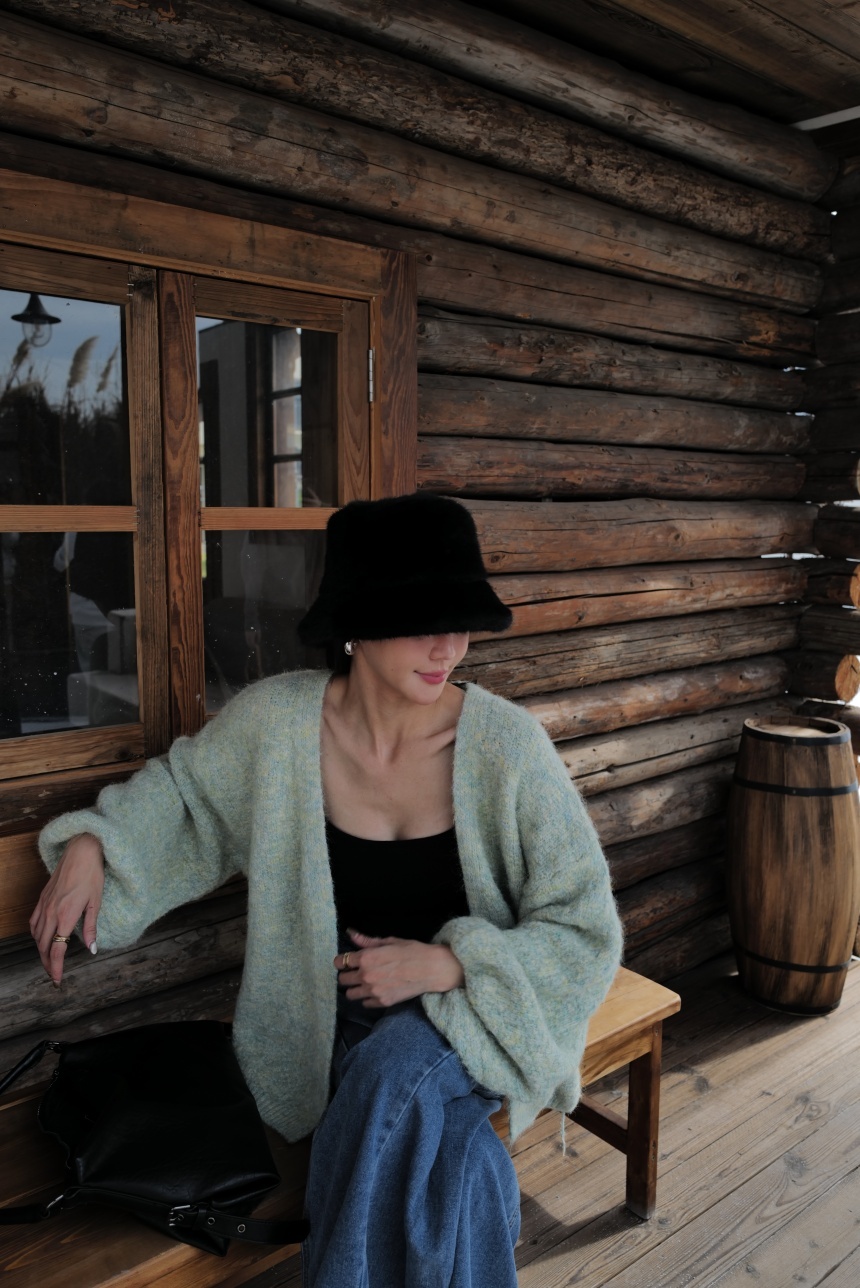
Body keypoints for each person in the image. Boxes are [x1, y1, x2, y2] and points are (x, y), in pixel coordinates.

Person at [31, 492, 623, 1288]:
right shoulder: (278, 725)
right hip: (330, 1020)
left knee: (392, 1073)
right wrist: (93, 843)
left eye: (463, 623)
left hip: (488, 1012)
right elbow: (185, 795)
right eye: (424, 622)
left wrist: (450, 964)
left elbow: (585, 932)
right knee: (461, 1158)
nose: (449, 646)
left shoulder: (507, 749)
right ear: (358, 622)